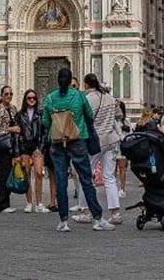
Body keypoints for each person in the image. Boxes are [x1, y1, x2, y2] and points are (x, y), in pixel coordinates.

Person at [42, 66, 111, 232]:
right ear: (70, 80)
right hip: (77, 141)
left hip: (57, 143)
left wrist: (57, 130)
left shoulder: (50, 98)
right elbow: (89, 116)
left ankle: (63, 221)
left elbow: (45, 121)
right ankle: (97, 219)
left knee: (61, 180)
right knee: (86, 179)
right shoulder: (79, 96)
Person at [84, 74, 125, 225]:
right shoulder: (110, 98)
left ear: (87, 84)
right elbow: (119, 116)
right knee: (109, 177)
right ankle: (115, 213)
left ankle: (86, 211)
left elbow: (84, 119)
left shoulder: (88, 99)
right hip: (111, 140)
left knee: (86, 175)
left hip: (96, 141)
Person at [0, 86, 21, 213]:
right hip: (1, 146)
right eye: (6, 94)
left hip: (11, 145)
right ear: (1, 95)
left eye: (10, 94)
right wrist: (10, 129)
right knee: (3, 175)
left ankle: (6, 203)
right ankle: (2, 205)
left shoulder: (13, 108)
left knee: (9, 173)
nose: (9, 96)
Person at [17, 89, 47, 212]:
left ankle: (39, 203)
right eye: (29, 98)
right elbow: (17, 134)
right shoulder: (20, 115)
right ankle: (29, 203)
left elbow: (44, 132)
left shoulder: (40, 114)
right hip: (24, 147)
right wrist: (18, 151)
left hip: (36, 147)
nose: (32, 100)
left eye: (34, 98)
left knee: (39, 173)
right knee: (27, 175)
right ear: (25, 99)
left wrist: (41, 148)